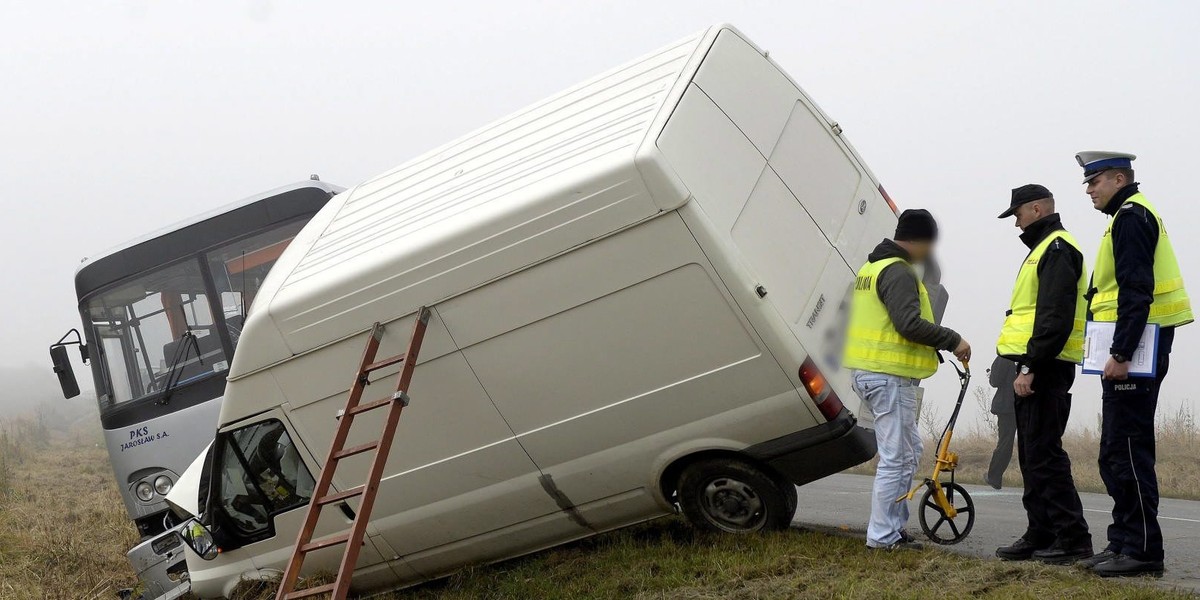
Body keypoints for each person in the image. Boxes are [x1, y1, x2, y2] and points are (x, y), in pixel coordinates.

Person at [1073, 152, 1192, 578]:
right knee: (1114, 452)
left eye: (1094, 182)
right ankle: (1123, 542)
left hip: (1135, 353)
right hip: (1131, 351)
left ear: (1118, 178)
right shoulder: (1124, 216)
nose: (1088, 191)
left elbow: (1136, 290)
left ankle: (1142, 550)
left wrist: (1121, 353)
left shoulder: (1131, 216)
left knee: (1126, 451)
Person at [843, 208, 971, 551]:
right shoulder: (898, 272)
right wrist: (953, 339)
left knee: (908, 451)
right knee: (896, 457)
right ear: (920, 241)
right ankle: (883, 538)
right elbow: (908, 324)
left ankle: (893, 529)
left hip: (873, 373)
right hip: (888, 376)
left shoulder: (872, 268)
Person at [992, 184, 1093, 564]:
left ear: (1037, 209)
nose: (1015, 223)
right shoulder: (1041, 249)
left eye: (1017, 214)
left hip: (1046, 367)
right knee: (1031, 455)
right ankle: (1041, 531)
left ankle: (1073, 538)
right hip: (1034, 364)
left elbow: (1055, 315)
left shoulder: (1057, 249)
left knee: (1045, 454)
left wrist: (1031, 366)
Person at [985, 356, 1017, 489]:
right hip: (1029, 403)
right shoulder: (1035, 349)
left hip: (1007, 404)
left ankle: (994, 476)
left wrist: (990, 375)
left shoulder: (1007, 352)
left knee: (1005, 442)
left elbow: (995, 380)